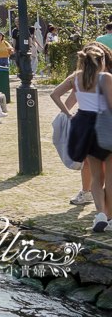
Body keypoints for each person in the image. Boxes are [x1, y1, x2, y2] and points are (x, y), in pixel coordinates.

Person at [51, 44, 112, 233]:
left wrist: (68, 115)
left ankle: (100, 214)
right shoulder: (105, 78)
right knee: (109, 176)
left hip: (85, 127)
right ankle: (110, 218)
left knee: (96, 176)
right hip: (105, 127)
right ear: (102, 61)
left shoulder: (75, 78)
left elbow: (55, 94)